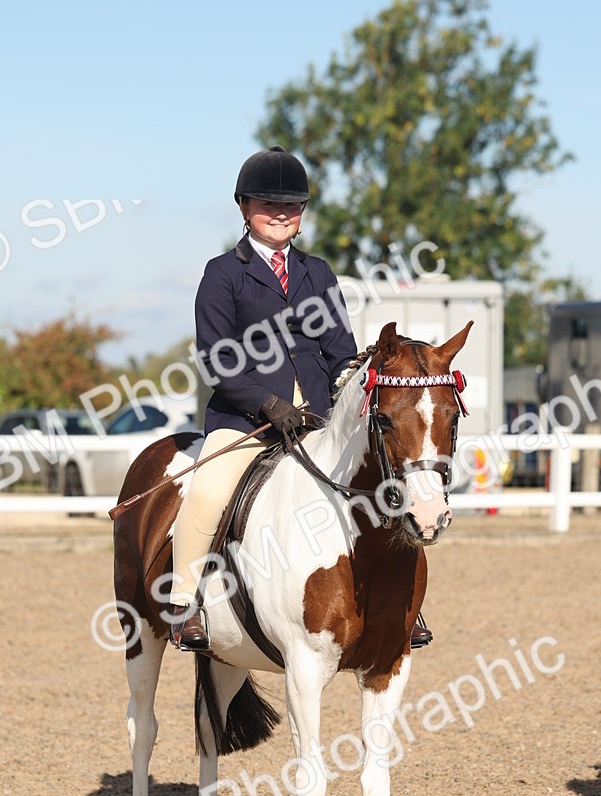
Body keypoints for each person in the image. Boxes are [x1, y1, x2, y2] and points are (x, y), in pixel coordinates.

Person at [168, 145, 433, 652]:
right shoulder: (223, 273)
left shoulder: (318, 273)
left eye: (292, 205)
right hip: (247, 418)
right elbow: (218, 360)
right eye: (269, 204)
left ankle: (406, 602)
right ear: (244, 208)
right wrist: (267, 404)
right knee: (208, 489)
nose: (281, 213)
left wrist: (357, 382)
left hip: (318, 416)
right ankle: (185, 603)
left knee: (385, 483)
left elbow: (338, 352)